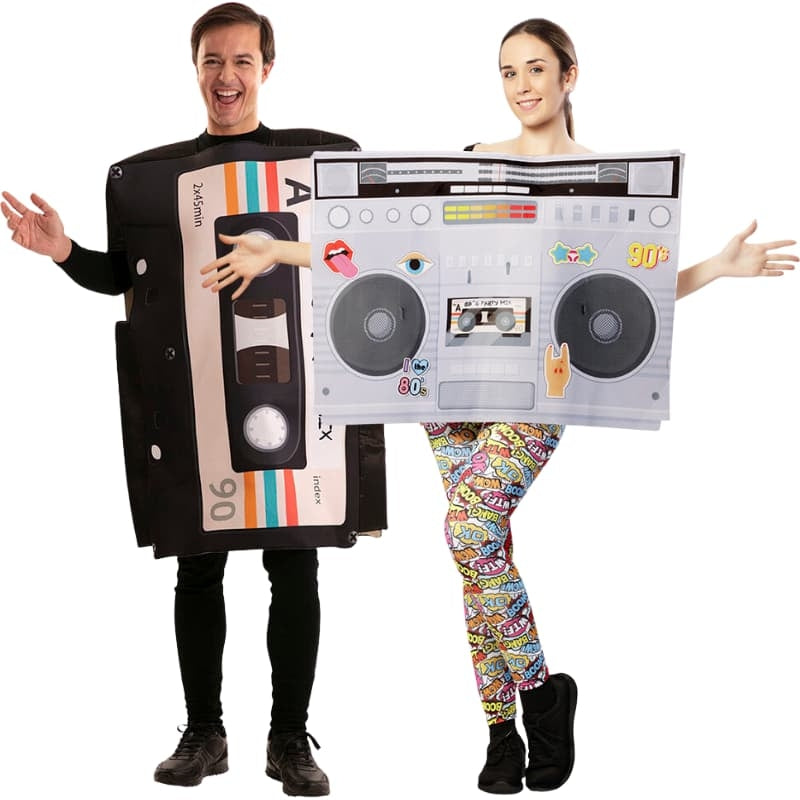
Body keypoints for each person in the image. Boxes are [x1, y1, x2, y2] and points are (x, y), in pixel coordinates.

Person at [197, 16, 796, 796]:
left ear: (570, 76)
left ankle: (542, 696)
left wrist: (715, 267)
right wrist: (281, 248)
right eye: (509, 72)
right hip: (448, 386)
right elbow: (380, 254)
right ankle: (499, 735)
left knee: (469, 528)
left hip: (537, 390)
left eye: (536, 69)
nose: (522, 86)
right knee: (482, 553)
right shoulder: (472, 162)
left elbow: (631, 294)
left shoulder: (599, 179)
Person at [1, 3, 364, 796]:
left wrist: (285, 253)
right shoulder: (159, 181)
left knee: (294, 564)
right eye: (212, 60)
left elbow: (357, 258)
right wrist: (64, 252)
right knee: (198, 568)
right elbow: (128, 279)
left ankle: (288, 739)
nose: (226, 76)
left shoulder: (322, 167)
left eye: (241, 60)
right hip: (199, 396)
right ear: (195, 68)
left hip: (294, 400)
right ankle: (205, 733)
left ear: (268, 68)